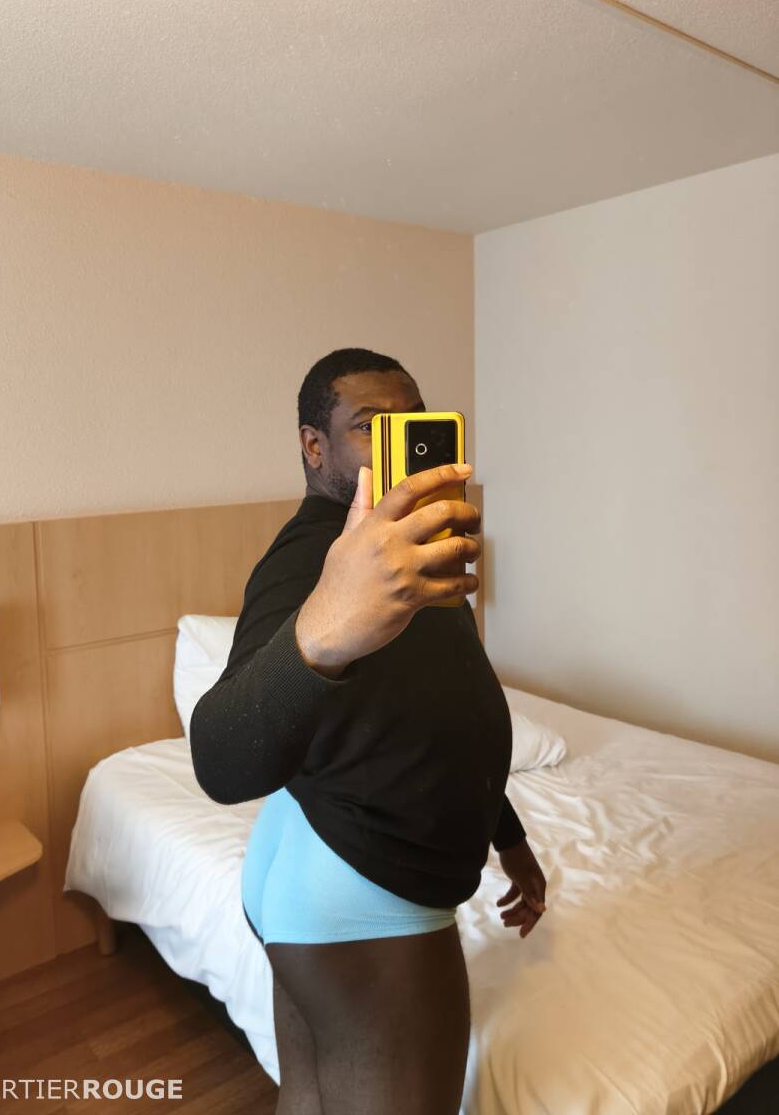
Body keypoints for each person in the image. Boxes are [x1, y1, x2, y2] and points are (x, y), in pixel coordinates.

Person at [190, 347, 547, 1115]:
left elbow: (437, 715)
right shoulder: (312, 556)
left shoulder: (405, 552)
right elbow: (219, 757)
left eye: (412, 424)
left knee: (313, 1097)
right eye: (369, 427)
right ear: (314, 446)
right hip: (364, 885)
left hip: (322, 853)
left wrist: (508, 837)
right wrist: (323, 626)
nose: (396, 444)